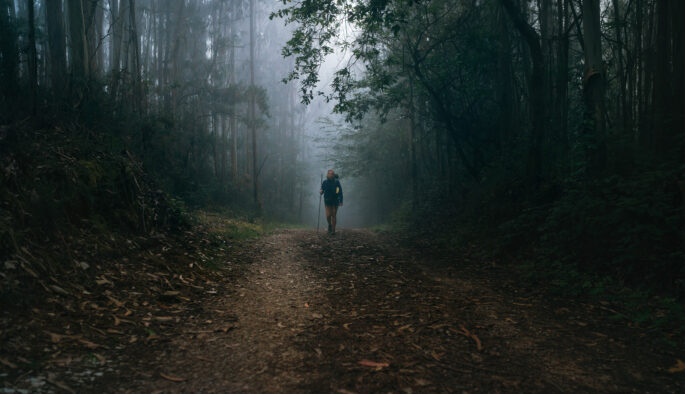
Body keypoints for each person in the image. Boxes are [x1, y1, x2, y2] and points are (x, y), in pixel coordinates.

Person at [320, 169, 343, 234]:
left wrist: (340, 200)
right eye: (329, 173)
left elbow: (339, 191)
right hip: (327, 200)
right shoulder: (325, 182)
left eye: (332, 174)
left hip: (335, 200)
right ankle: (329, 225)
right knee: (328, 215)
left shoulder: (336, 182)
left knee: (333, 215)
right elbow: (322, 190)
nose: (331, 175)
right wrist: (321, 191)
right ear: (327, 174)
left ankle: (333, 230)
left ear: (333, 175)